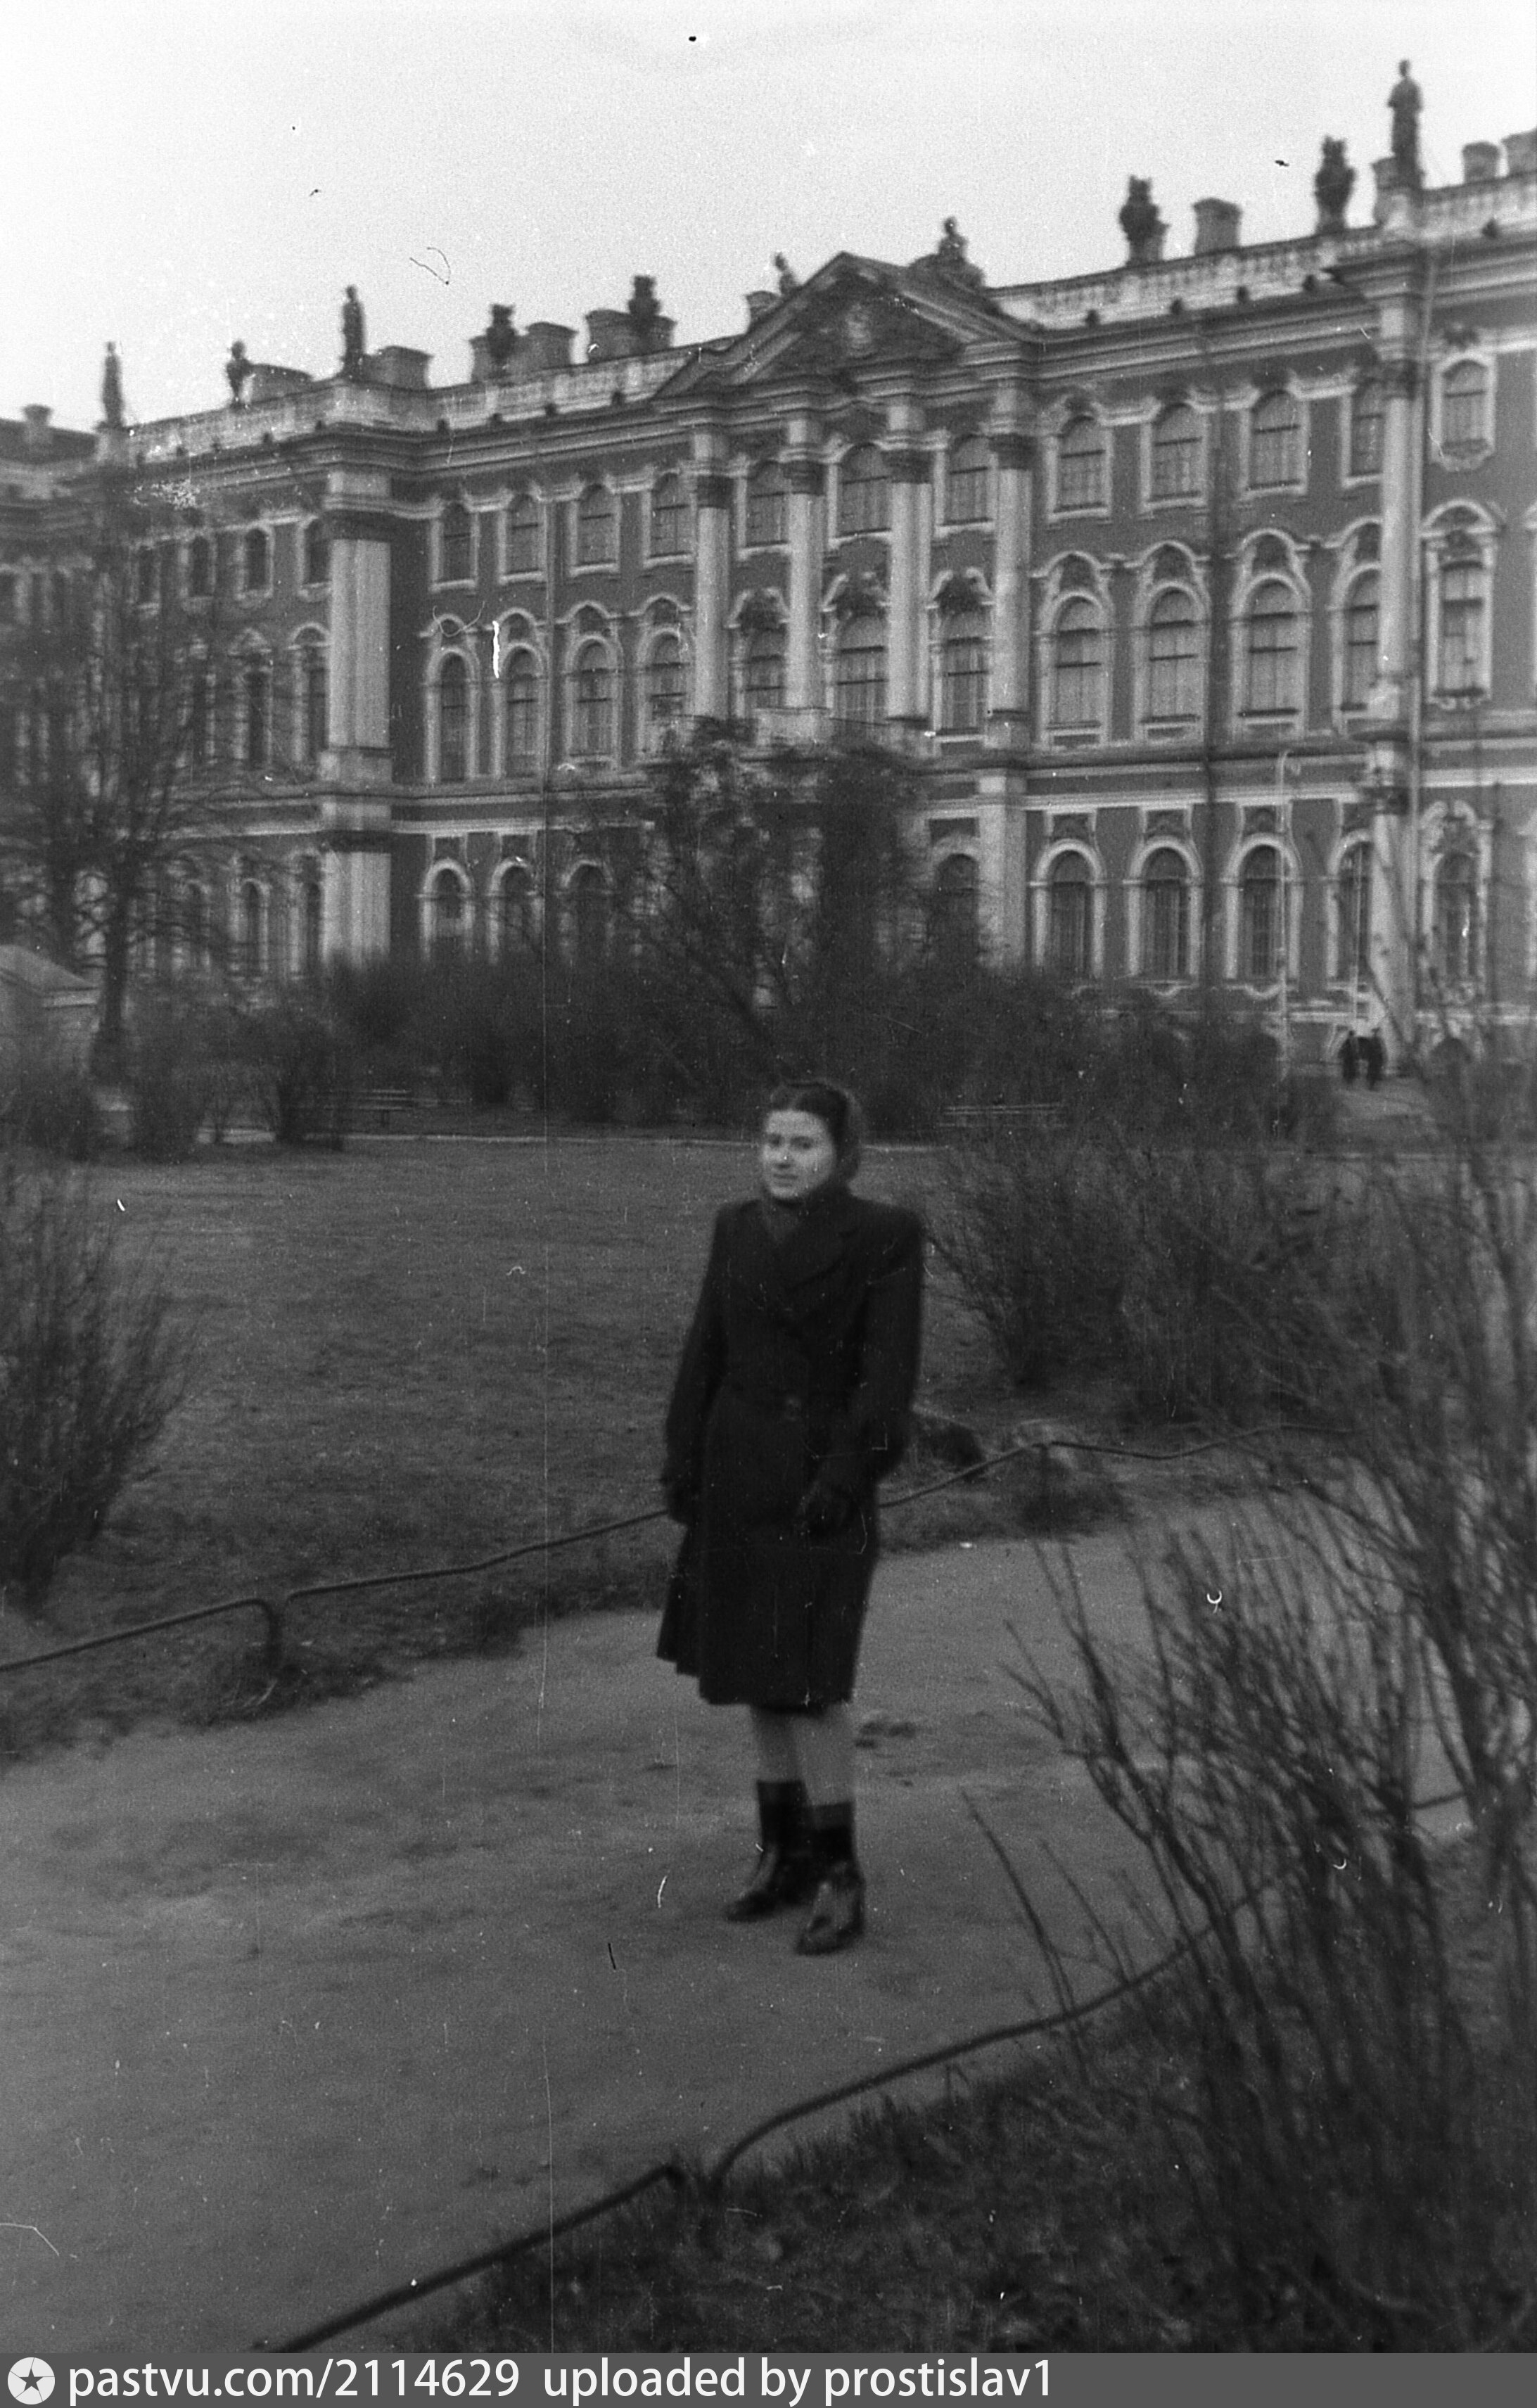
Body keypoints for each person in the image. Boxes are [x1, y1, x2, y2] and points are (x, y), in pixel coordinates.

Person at [658, 1081, 924, 1956]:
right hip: (737, 1473)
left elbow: (887, 1378)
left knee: (809, 1682)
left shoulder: (883, 1236)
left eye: (802, 1143)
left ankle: (840, 1873)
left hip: (820, 1481)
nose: (781, 1157)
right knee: (754, 1671)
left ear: (842, 1155)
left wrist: (846, 1476)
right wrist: (682, 1456)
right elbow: (705, 1348)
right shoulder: (734, 1227)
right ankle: (782, 1854)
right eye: (771, 1139)